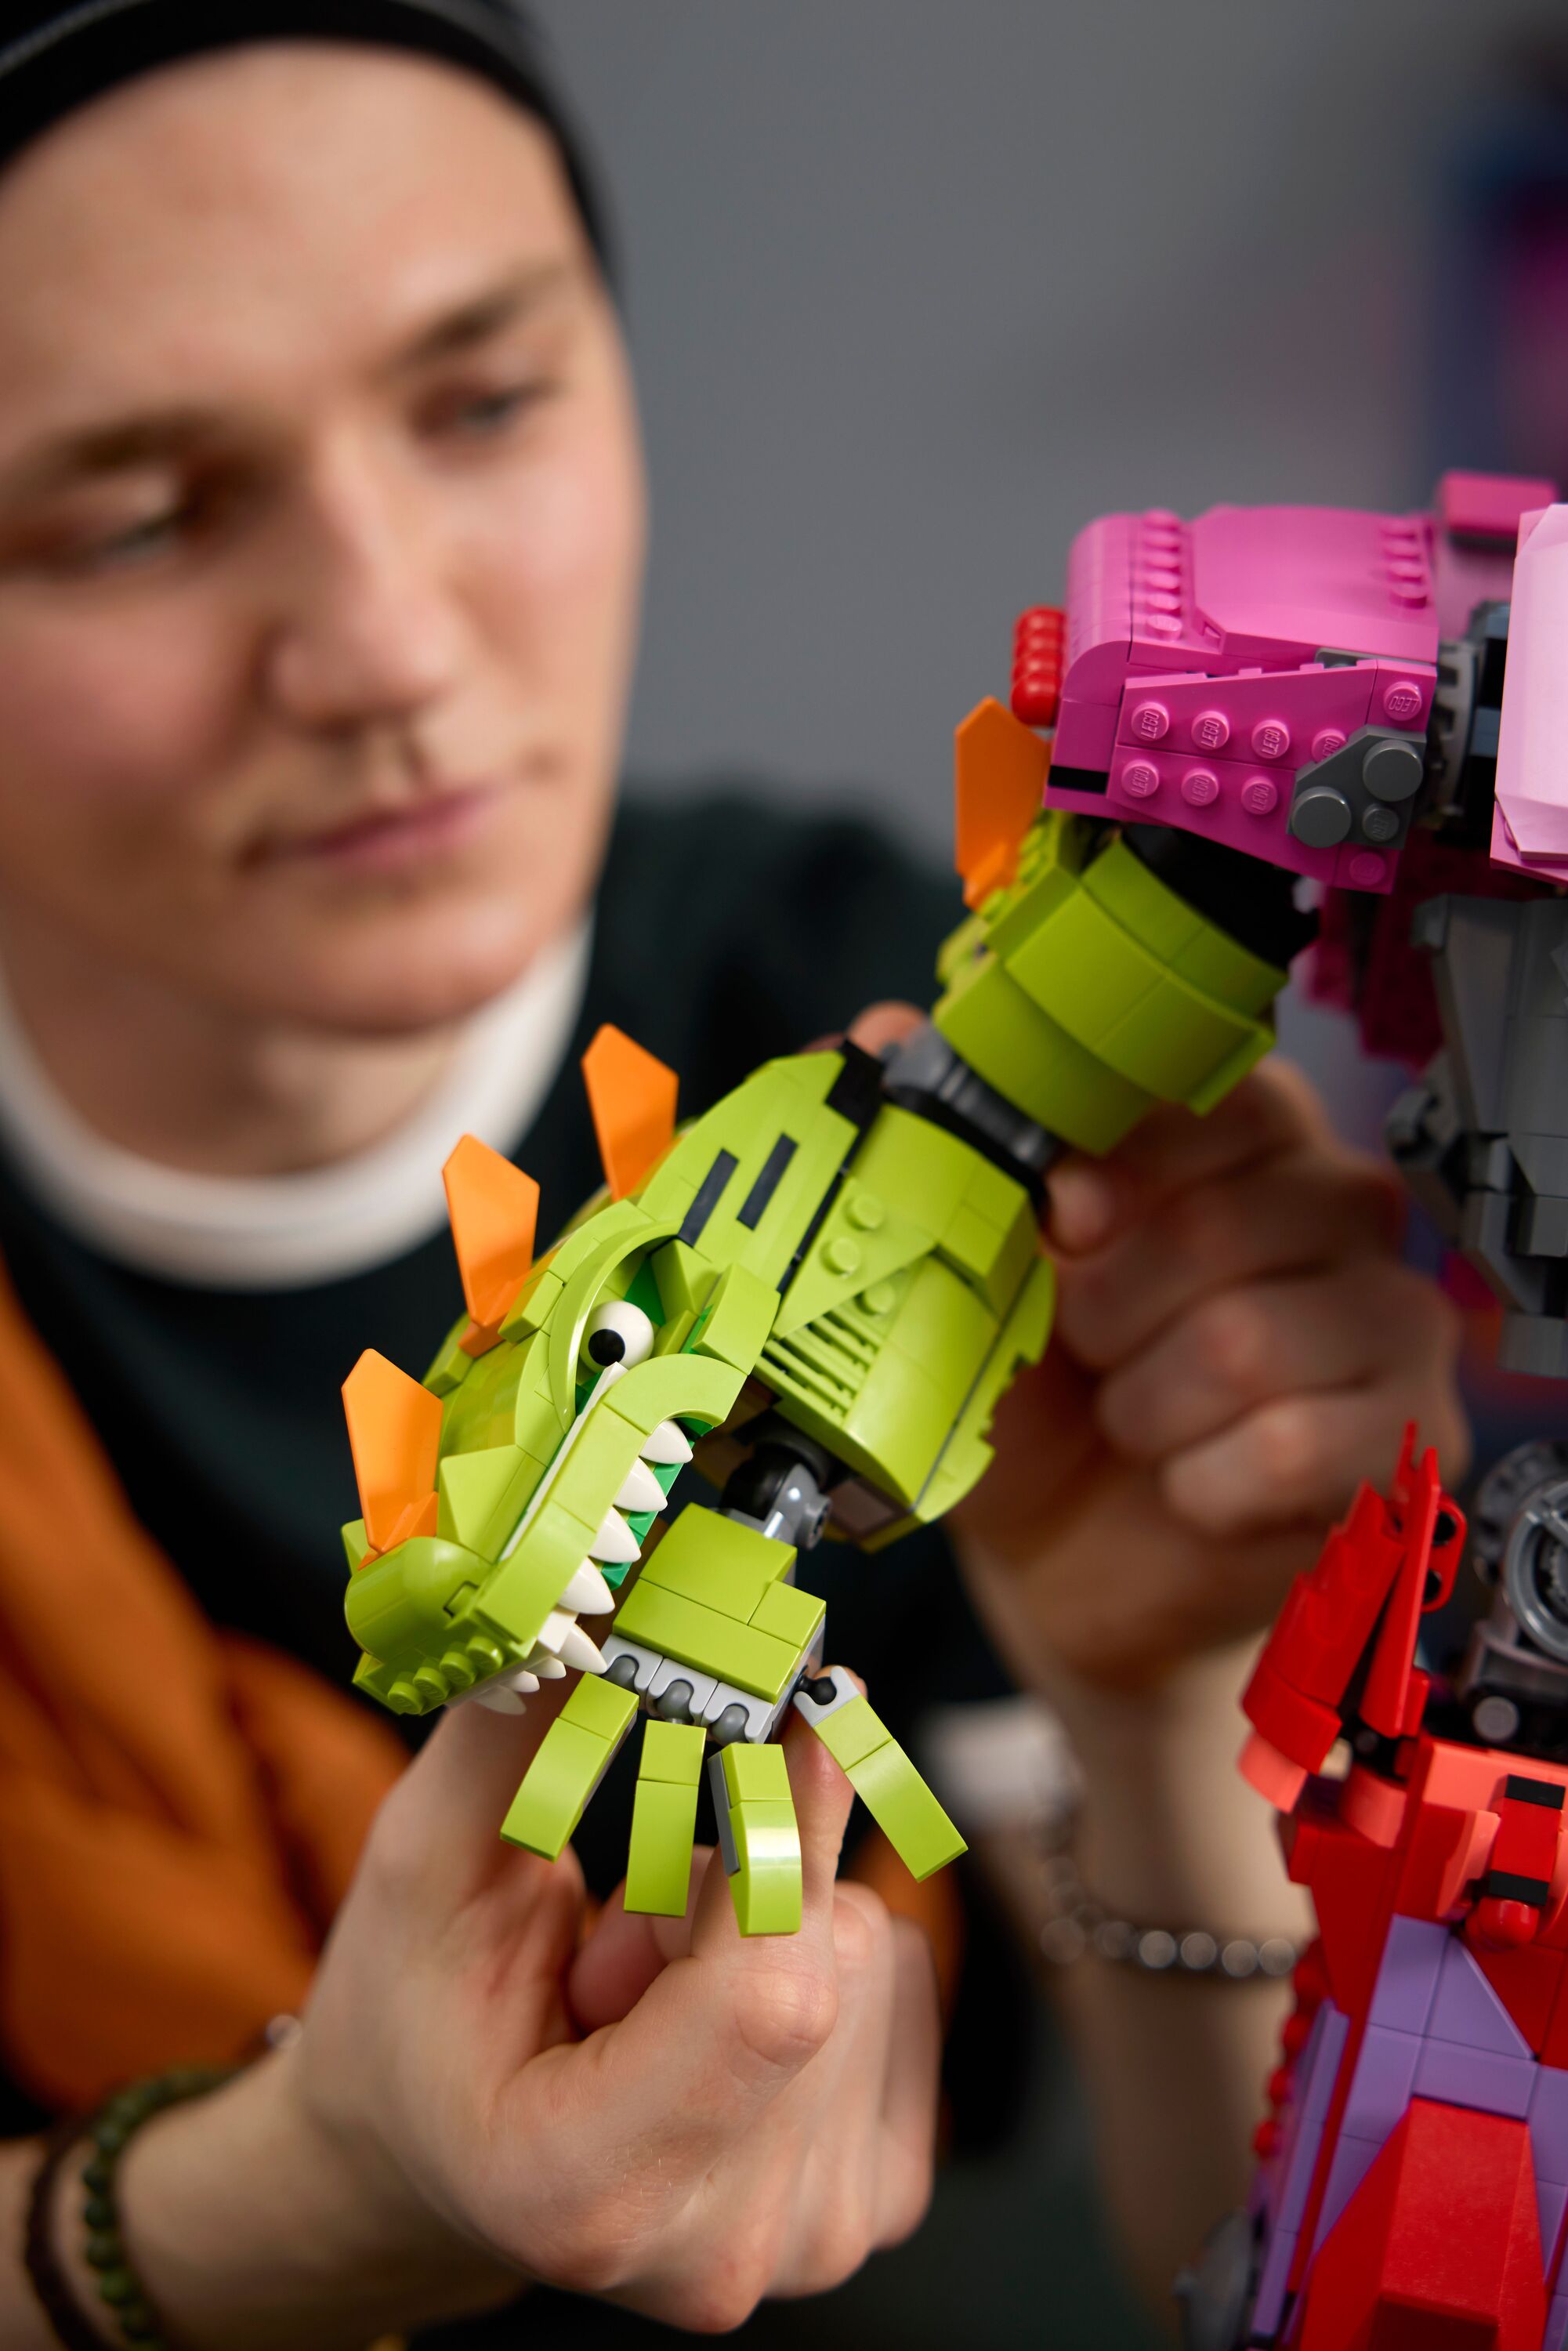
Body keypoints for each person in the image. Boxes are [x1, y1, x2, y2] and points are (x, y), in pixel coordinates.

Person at [0, 6, 1466, 2345]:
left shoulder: (855, 993)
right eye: (132, 521)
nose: (388, 651)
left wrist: (1169, 1709)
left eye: (485, 399)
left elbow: (1276, 2275)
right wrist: (296, 2198)